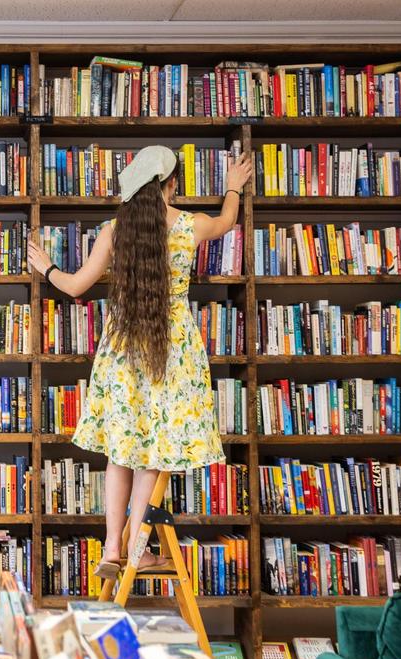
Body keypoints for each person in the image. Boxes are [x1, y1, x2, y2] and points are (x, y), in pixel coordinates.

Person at [27, 145, 252, 578]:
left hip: (123, 347)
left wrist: (48, 266)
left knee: (120, 452)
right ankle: (137, 547)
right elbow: (227, 222)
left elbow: (75, 287)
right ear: (170, 186)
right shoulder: (190, 225)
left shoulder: (114, 231)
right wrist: (231, 187)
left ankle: (111, 547)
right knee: (153, 453)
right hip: (173, 350)